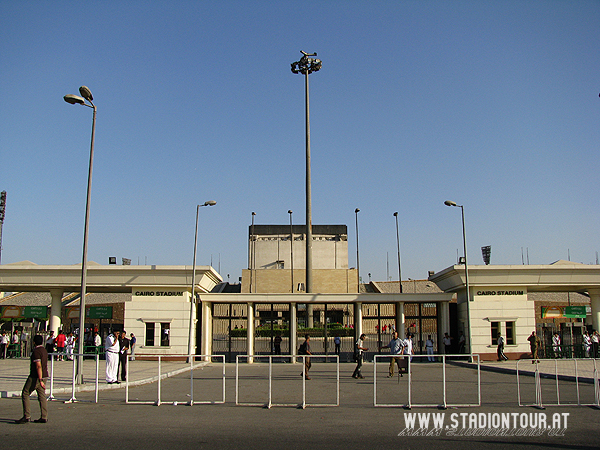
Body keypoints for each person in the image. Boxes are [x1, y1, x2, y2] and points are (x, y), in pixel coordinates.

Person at [16, 335, 48, 424]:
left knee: (25, 393)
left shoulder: (36, 352)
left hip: (36, 376)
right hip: (45, 375)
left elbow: (38, 366)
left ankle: (27, 416)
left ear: (34, 342)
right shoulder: (44, 350)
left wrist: (40, 379)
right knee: (42, 395)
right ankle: (44, 416)